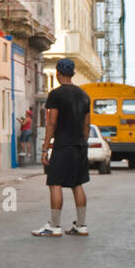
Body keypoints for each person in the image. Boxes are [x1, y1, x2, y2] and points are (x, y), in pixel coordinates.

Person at [33, 58, 91, 237]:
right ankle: (81, 225)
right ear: (73, 73)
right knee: (77, 184)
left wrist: (45, 149)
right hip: (80, 145)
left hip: (63, 145)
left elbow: (51, 122)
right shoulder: (84, 95)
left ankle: (54, 226)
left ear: (57, 74)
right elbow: (87, 124)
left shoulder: (56, 94)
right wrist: (83, 143)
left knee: (55, 183)